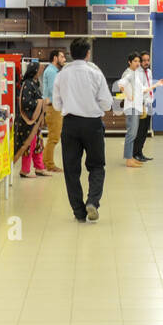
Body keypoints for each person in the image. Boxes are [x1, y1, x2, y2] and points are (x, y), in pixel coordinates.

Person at [52, 36, 112, 223]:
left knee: (71, 169)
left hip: (70, 125)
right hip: (92, 125)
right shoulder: (95, 73)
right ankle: (92, 201)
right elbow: (107, 103)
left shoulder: (61, 75)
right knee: (96, 166)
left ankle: (78, 212)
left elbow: (56, 104)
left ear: (70, 54)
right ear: (88, 54)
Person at [13, 61, 50, 178]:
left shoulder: (34, 83)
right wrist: (42, 102)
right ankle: (24, 170)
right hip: (28, 122)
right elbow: (26, 103)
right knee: (29, 145)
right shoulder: (27, 84)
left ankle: (39, 168)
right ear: (34, 71)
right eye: (39, 69)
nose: (41, 71)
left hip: (35, 121)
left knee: (38, 144)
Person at [132, 49, 163, 162]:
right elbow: (141, 90)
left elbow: (149, 87)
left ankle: (140, 152)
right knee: (139, 131)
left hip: (149, 104)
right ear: (140, 62)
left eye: (148, 60)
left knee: (145, 131)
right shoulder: (137, 73)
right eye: (144, 60)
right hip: (141, 105)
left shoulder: (149, 72)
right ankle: (135, 153)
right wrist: (156, 85)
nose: (146, 62)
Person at [117, 53, 145, 169]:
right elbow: (120, 85)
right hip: (131, 107)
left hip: (136, 106)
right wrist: (128, 96)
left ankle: (131, 157)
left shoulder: (135, 73)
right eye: (135, 61)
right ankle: (128, 159)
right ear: (129, 62)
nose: (138, 63)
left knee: (134, 133)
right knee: (131, 133)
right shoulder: (127, 73)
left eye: (139, 61)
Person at [41, 49, 66, 172]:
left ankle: (46, 163)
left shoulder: (54, 71)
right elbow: (53, 90)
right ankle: (49, 165)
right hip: (53, 107)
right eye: (62, 57)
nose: (64, 59)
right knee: (54, 137)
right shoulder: (51, 71)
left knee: (53, 137)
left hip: (53, 107)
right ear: (55, 58)